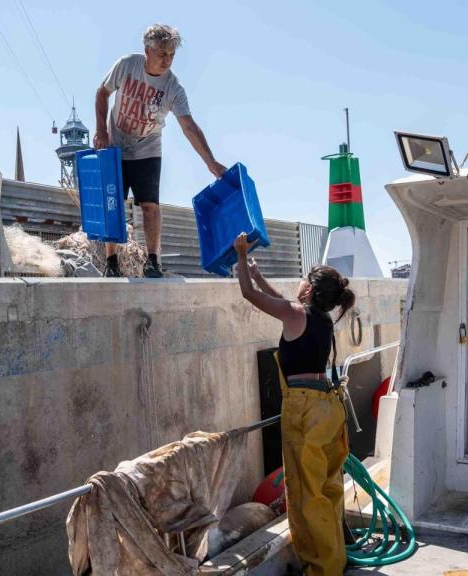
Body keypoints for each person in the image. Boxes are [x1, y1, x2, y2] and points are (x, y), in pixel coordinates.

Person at [233, 233, 356, 576]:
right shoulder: (320, 318)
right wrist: (259, 276)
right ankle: (335, 559)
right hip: (329, 407)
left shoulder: (296, 314)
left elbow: (248, 295)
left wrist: (242, 258)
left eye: (304, 279)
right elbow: (284, 305)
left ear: (310, 289)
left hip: (304, 409)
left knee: (306, 496)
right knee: (328, 489)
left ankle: (322, 570)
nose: (300, 283)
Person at [94, 24, 227, 278]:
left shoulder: (174, 88)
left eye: (172, 55)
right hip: (116, 146)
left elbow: (188, 126)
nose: (167, 60)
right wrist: (102, 131)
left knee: (150, 205)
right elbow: (102, 93)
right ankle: (111, 262)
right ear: (147, 50)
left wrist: (211, 163)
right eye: (162, 53)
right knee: (114, 204)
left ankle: (152, 260)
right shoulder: (126, 66)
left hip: (148, 148)